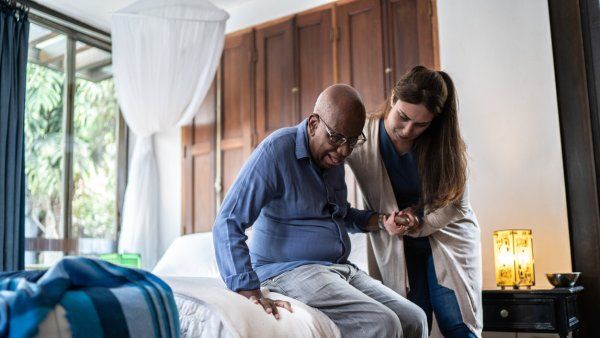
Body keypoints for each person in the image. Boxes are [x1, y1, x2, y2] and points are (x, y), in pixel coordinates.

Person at [213, 84, 427, 338]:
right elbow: (228, 220)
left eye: (352, 141)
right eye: (337, 138)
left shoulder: (332, 158)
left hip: (339, 268)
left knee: (415, 318)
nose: (344, 151)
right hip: (288, 270)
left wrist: (382, 221)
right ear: (314, 124)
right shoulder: (276, 152)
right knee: (382, 323)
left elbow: (342, 215)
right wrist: (248, 290)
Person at [346, 66, 482, 337]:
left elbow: (456, 206)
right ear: (394, 97)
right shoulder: (360, 137)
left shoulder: (445, 145)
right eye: (403, 117)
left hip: (446, 234)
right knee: (412, 319)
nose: (408, 130)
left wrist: (417, 223)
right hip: (396, 241)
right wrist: (386, 222)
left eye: (421, 124)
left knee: (455, 321)